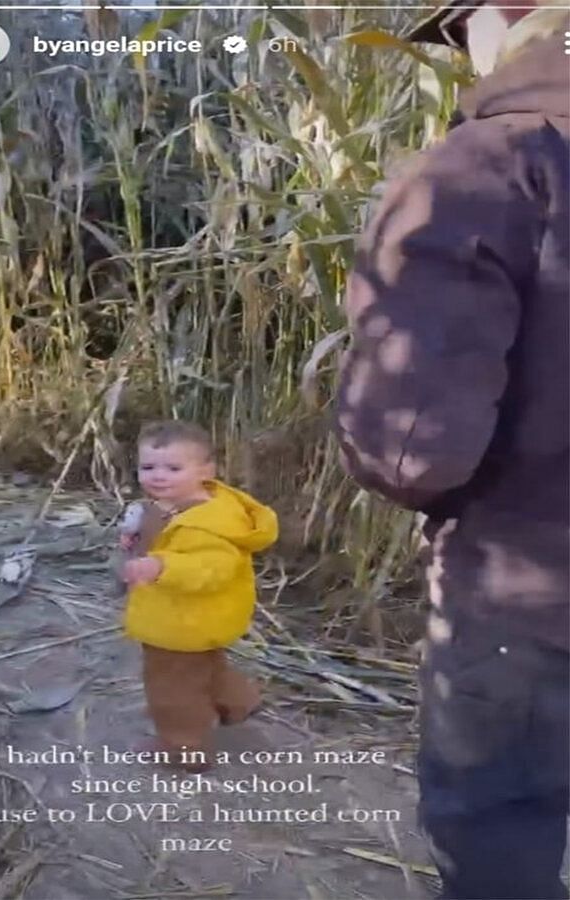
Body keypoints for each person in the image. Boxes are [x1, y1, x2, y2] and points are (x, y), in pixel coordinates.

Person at [336, 3, 569, 897]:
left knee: (501, 840)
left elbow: (410, 448)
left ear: (504, 17)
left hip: (528, 606)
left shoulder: (488, 168)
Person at [120, 421, 277, 771]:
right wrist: (138, 541)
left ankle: (184, 748)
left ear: (206, 471)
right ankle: (239, 703)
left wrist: (161, 567)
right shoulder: (178, 504)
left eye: (174, 468)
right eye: (148, 467)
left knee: (173, 690)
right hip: (194, 621)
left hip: (181, 624)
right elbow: (161, 536)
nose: (159, 476)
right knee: (205, 667)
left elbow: (211, 569)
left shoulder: (209, 525)